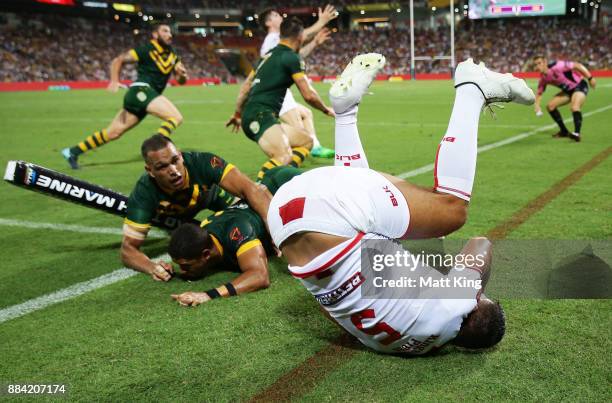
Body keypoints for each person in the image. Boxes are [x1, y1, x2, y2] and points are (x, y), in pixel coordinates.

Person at [265, 55, 535, 354]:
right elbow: (332, 310)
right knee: (373, 222)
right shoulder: (396, 344)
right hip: (284, 216)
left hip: (330, 210)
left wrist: (473, 287)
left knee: (451, 211)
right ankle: (345, 112)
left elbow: (480, 245)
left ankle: (472, 89)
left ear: (475, 308)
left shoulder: (455, 306)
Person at [120, 134, 271, 282]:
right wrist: (151, 267)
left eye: (175, 160)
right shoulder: (143, 193)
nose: (173, 170)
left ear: (180, 155)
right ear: (150, 171)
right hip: (174, 214)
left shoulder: (203, 162)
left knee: (248, 217)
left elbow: (250, 189)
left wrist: (272, 228)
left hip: (214, 199)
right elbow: (128, 250)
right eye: (162, 167)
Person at [168, 165, 302, 306]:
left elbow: (260, 277)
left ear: (206, 254)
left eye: (186, 266)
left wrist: (207, 295)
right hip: (266, 188)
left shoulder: (237, 231)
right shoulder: (201, 236)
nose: (182, 271)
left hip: (287, 184)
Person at [61, 24, 188, 169]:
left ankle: (72, 152)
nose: (169, 34)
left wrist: (182, 74)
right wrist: (114, 81)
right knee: (175, 117)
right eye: (165, 31)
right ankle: (159, 151)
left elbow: (181, 81)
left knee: (113, 132)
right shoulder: (145, 49)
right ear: (155, 34)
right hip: (142, 90)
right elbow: (118, 60)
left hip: (143, 96)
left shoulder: (173, 54)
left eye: (170, 32)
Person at [226, 17, 335, 181]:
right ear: (300, 37)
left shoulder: (267, 57)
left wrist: (237, 114)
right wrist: (326, 109)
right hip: (261, 116)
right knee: (284, 156)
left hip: (254, 114)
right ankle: (259, 189)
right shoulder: (291, 58)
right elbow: (308, 94)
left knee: (306, 142)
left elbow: (245, 88)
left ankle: (282, 179)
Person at [258, 6, 337, 159]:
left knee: (305, 114)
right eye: (275, 15)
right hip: (274, 92)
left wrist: (314, 43)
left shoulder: (278, 43)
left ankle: (315, 148)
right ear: (268, 23)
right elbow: (299, 35)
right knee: (299, 130)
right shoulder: (273, 38)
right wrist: (321, 22)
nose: (279, 16)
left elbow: (298, 54)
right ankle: (281, 146)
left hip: (280, 90)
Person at [533, 56, 596, 142]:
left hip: (579, 85)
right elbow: (539, 93)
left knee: (574, 107)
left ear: (545, 62)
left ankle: (577, 133)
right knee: (550, 106)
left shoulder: (558, 66)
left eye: (539, 63)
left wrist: (590, 78)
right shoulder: (543, 78)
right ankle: (564, 131)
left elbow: (577, 65)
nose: (538, 66)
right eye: (536, 64)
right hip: (568, 91)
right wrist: (537, 105)